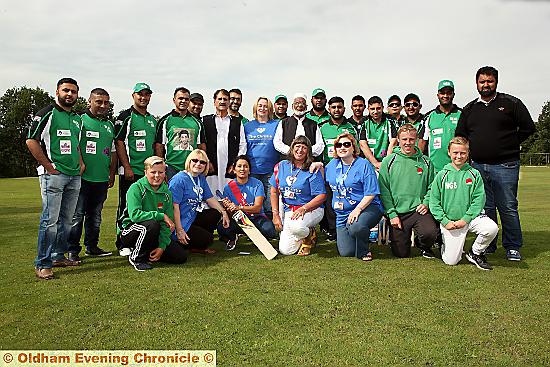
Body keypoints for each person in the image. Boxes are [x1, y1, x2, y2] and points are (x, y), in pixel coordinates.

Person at [455, 66, 536, 261]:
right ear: (476, 84)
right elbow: (461, 135)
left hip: (506, 165)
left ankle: (513, 246)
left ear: (496, 82)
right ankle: (489, 243)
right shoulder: (469, 109)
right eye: (482, 81)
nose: (485, 85)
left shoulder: (511, 103)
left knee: (507, 206)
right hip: (478, 166)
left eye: (489, 81)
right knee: (486, 207)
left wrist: (510, 143)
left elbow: (528, 127)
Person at [26, 77, 83, 279]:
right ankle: (42, 263)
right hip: (54, 175)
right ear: (57, 91)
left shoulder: (77, 118)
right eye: (66, 90)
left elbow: (76, 144)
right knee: (49, 221)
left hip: (74, 176)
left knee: (67, 221)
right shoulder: (47, 113)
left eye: (73, 91)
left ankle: (59, 256)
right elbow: (31, 140)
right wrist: (48, 166)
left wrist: (81, 163)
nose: (69, 94)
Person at [429, 137, 498, 270]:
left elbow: (479, 200)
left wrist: (465, 219)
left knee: (491, 228)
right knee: (451, 261)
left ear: (468, 153)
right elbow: (434, 202)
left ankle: (475, 252)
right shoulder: (441, 175)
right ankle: (444, 243)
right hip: (450, 223)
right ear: (449, 152)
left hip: (470, 219)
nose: (459, 156)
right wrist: (445, 221)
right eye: (455, 153)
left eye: (462, 153)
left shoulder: (474, 174)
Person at [67, 88, 117, 260]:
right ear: (89, 101)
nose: (103, 105)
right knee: (77, 215)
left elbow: (112, 151)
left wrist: (112, 172)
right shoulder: (79, 120)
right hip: (82, 178)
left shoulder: (109, 125)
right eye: (99, 102)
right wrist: (80, 163)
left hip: (101, 178)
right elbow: (74, 144)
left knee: (95, 216)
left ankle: (92, 246)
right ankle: (72, 250)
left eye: (106, 102)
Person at [118, 156, 188, 271]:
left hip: (153, 232)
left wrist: (161, 247)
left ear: (165, 173)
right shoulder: (136, 188)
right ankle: (137, 258)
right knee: (152, 224)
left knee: (180, 256)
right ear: (145, 172)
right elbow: (135, 215)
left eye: (160, 172)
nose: (157, 176)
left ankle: (149, 252)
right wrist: (161, 215)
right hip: (129, 231)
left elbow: (168, 224)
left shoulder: (167, 192)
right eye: (153, 172)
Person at [378, 124, 438, 259]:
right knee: (401, 254)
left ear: (416, 139)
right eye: (404, 139)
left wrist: (426, 203)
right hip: (398, 213)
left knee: (429, 233)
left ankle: (422, 244)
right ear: (398, 140)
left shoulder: (426, 162)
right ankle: (392, 231)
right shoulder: (389, 161)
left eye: (411, 139)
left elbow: (432, 187)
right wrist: (392, 214)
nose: (408, 143)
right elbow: (384, 189)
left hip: (418, 210)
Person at [325, 133, 383, 261]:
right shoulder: (331, 165)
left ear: (353, 148)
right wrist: (317, 165)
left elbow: (371, 193)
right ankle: (358, 234)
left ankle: (364, 250)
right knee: (346, 252)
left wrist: (358, 209)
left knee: (356, 226)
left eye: (346, 144)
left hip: (368, 207)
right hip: (342, 213)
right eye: (338, 145)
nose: (342, 147)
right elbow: (323, 175)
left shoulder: (363, 165)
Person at [114, 82, 157, 256]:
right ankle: (122, 242)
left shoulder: (152, 119)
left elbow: (155, 145)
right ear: (133, 95)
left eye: (147, 94)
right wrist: (126, 166)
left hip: (148, 173)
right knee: (126, 207)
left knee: (144, 207)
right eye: (140, 94)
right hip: (131, 172)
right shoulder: (125, 116)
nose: (143, 97)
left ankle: (138, 239)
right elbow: (119, 142)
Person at [269, 136, 326, 256]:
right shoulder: (282, 166)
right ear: (292, 148)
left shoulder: (312, 168)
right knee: (286, 250)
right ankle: (304, 234)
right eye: (297, 146)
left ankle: (308, 234)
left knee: (297, 227)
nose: (300, 150)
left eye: (304, 148)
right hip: (289, 209)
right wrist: (276, 214)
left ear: (308, 152)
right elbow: (274, 191)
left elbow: (321, 196)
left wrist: (303, 209)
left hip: (310, 209)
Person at [169, 149, 230, 254]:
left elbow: (209, 198)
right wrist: (179, 230)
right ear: (189, 161)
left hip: (191, 217)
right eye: (195, 160)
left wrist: (223, 212)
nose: (198, 164)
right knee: (208, 239)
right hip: (179, 221)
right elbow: (174, 207)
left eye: (202, 162)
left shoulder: (200, 178)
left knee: (215, 213)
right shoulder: (178, 180)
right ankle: (180, 241)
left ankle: (195, 244)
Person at [319, 96, 358, 241]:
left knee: (349, 199)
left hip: (349, 169)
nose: (337, 110)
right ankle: (333, 231)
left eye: (339, 107)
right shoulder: (322, 126)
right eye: (333, 107)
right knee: (331, 202)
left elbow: (356, 148)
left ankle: (351, 228)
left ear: (344, 109)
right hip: (331, 169)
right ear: (329, 109)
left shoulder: (350, 127)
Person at [218, 155, 277, 250]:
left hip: (256, 218)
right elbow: (230, 212)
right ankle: (233, 238)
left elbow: (257, 208)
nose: (242, 169)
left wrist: (239, 207)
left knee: (269, 230)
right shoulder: (228, 187)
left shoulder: (257, 183)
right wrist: (228, 207)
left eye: (245, 166)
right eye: (239, 166)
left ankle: (257, 236)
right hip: (239, 220)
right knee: (222, 227)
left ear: (249, 170)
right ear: (234, 170)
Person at [155, 86, 205, 181]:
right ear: (174, 100)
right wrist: (161, 168)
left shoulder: (197, 122)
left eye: (186, 99)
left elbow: (201, 146)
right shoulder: (165, 120)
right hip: (171, 168)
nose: (183, 101)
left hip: (191, 168)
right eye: (180, 98)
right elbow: (159, 146)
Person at [202, 89, 247, 195]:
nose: (222, 101)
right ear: (214, 101)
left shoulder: (237, 122)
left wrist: (235, 163)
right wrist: (207, 161)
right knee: (210, 196)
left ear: (228, 102)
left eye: (225, 99)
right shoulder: (205, 120)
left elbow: (243, 144)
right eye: (220, 99)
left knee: (230, 195)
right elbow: (200, 144)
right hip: (211, 166)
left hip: (229, 166)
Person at [244, 97, 280, 218]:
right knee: (254, 199)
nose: (262, 108)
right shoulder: (248, 126)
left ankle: (270, 226)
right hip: (252, 169)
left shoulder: (276, 125)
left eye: (265, 106)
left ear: (269, 109)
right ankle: (255, 225)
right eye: (260, 105)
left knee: (270, 200)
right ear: (255, 107)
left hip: (270, 170)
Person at [419, 80, 462, 173]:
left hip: (458, 169)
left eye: (449, 93)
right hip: (435, 170)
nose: (445, 96)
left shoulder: (462, 114)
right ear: (438, 95)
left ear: (453, 94)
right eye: (442, 93)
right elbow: (422, 142)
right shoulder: (429, 116)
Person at [273, 93, 324, 158]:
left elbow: (320, 144)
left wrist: (306, 152)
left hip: (308, 162)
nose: (299, 105)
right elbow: (277, 142)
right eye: (297, 103)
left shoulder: (313, 124)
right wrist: (292, 152)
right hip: (288, 160)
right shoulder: (283, 123)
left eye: (302, 103)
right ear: (292, 106)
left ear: (306, 107)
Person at [359, 96, 397, 170]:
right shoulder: (364, 121)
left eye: (378, 108)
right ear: (368, 109)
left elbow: (393, 142)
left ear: (382, 107)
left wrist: (385, 163)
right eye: (372, 109)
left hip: (387, 162)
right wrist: (375, 163)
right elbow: (362, 144)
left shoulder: (391, 120)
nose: (375, 111)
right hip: (369, 162)